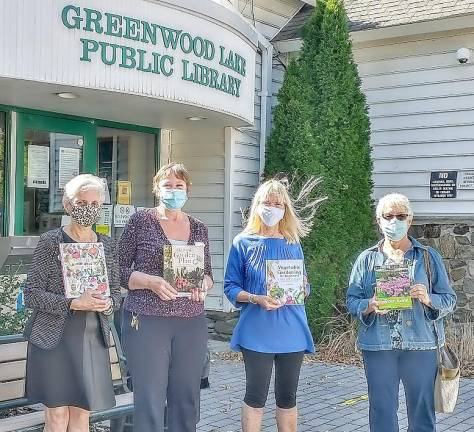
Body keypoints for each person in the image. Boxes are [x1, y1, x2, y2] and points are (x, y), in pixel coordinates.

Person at [346, 193, 457, 432]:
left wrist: (429, 299)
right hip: (379, 346)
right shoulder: (366, 259)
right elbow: (352, 300)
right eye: (388, 216)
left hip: (421, 345)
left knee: (421, 412)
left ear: (410, 220)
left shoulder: (427, 256)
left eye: (400, 216)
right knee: (382, 411)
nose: (393, 221)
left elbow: (449, 299)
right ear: (379, 220)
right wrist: (369, 304)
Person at [119, 162, 213, 432]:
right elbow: (118, 269)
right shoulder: (140, 221)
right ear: (156, 189)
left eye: (179, 185)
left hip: (190, 321)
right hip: (148, 320)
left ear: (188, 189)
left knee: (186, 396)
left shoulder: (199, 227)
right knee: (150, 397)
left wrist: (202, 285)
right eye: (167, 185)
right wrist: (150, 282)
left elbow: (207, 273)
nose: (173, 190)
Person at [24, 174, 121, 432]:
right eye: (81, 202)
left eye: (94, 203)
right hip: (54, 339)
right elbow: (32, 293)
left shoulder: (107, 245)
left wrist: (108, 303)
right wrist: (72, 303)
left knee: (81, 416)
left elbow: (116, 295)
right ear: (68, 204)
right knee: (56, 416)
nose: (88, 209)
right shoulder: (50, 242)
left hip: (91, 339)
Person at [224, 178, 320, 432]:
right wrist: (255, 298)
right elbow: (230, 287)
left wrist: (303, 285)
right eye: (267, 202)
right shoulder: (242, 243)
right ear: (257, 205)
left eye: (278, 203)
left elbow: (304, 287)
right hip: (257, 331)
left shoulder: (293, 242)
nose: (272, 207)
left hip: (292, 330)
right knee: (255, 397)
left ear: (285, 209)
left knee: (288, 398)